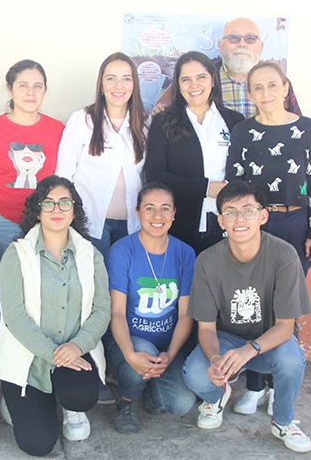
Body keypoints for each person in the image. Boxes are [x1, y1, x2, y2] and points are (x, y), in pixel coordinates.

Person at [183, 180, 311, 453]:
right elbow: (205, 329)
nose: (239, 219)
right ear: (221, 221)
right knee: (195, 374)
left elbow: (286, 327)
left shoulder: (284, 256)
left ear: (263, 216)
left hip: (267, 341)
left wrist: (248, 351)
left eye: (248, 211)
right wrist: (217, 361)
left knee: (292, 360)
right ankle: (217, 397)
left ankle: (283, 422)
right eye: (230, 212)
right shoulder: (207, 261)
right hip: (226, 338)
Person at [224, 61, 311, 415]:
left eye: (272, 86)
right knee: (253, 305)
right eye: (257, 88)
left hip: (294, 223)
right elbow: (234, 184)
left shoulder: (308, 128)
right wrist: (236, 227)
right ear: (249, 95)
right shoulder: (243, 131)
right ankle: (253, 386)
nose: (265, 93)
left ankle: (280, 388)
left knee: (286, 306)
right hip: (254, 225)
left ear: (285, 88)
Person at [0, 176, 111, 456]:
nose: (57, 210)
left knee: (81, 396)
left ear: (74, 210)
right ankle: (19, 401)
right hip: (29, 362)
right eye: (49, 203)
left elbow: (102, 309)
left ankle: (72, 410)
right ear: (37, 210)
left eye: (64, 203)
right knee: (38, 444)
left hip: (75, 355)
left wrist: (77, 346)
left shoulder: (90, 254)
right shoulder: (16, 253)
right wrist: (54, 352)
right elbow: (14, 315)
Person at [0, 60, 65, 337]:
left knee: (42, 289)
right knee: (4, 291)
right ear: (9, 89)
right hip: (1, 221)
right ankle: (3, 352)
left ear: (45, 90)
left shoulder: (57, 129)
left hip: (45, 223)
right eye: (23, 85)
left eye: (38, 86)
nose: (31, 92)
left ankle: (37, 353)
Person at [105, 183, 197, 434]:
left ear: (174, 213)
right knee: (142, 351)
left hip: (167, 346)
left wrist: (171, 354)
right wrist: (130, 354)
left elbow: (185, 313)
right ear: (137, 212)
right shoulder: (122, 250)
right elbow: (117, 313)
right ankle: (126, 401)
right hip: (127, 341)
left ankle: (148, 387)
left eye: (165, 209)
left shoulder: (185, 253)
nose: (158, 216)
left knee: (180, 404)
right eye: (150, 208)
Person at [145, 51, 245, 254]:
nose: (194, 85)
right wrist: (205, 188)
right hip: (181, 224)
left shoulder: (235, 122)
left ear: (213, 81)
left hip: (228, 223)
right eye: (186, 79)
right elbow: (155, 175)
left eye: (201, 77)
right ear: (179, 86)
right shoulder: (164, 123)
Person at [55, 52, 149, 263]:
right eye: (111, 78)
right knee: (94, 287)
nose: (119, 86)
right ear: (101, 85)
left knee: (123, 287)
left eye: (126, 78)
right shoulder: (82, 120)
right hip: (91, 223)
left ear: (134, 84)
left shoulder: (145, 123)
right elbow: (63, 175)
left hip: (132, 226)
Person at [216, 17, 300, 119]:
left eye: (251, 39)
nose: (242, 44)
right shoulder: (205, 81)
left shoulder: (278, 82)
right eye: (233, 37)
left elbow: (296, 127)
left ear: (261, 47)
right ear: (220, 46)